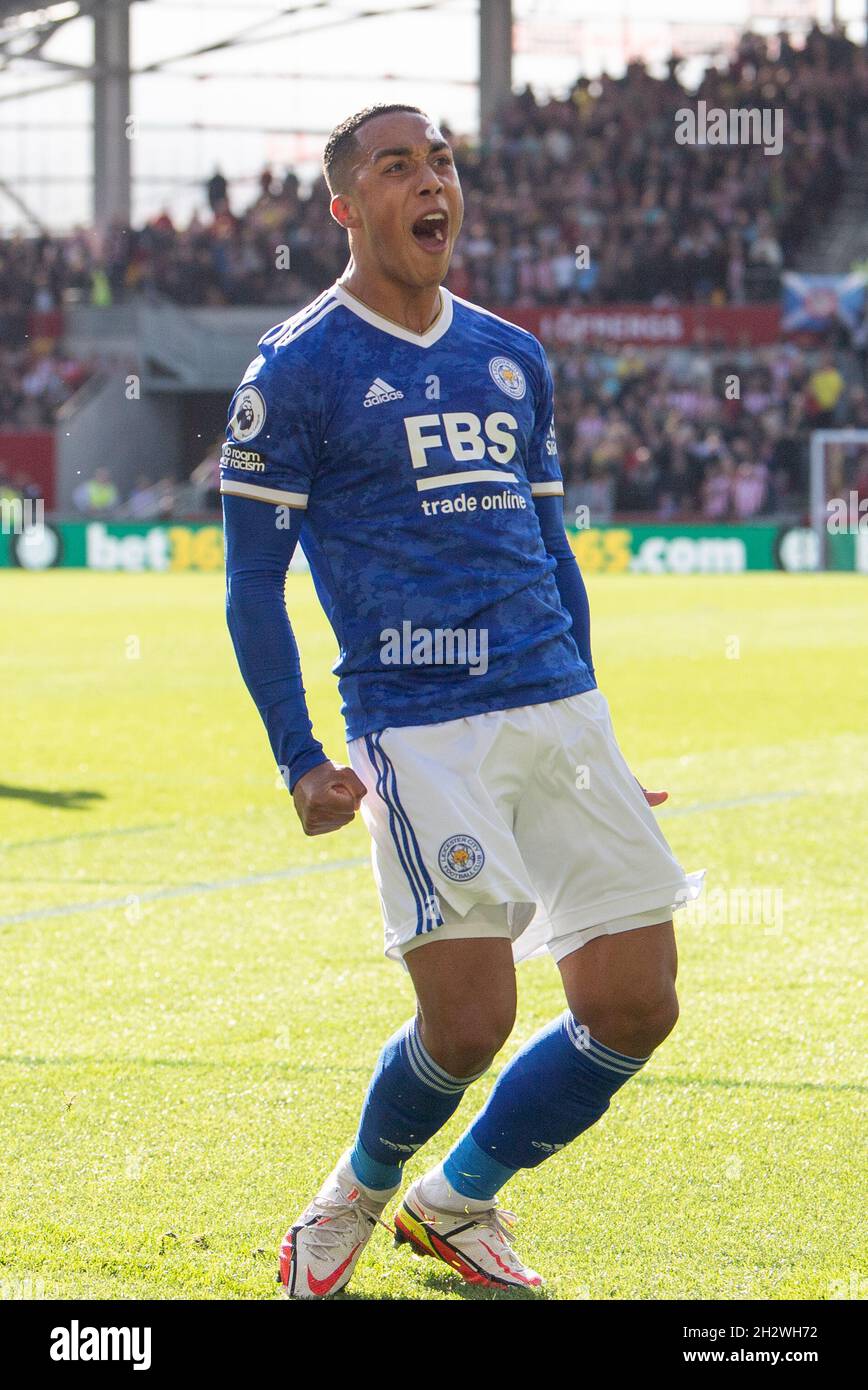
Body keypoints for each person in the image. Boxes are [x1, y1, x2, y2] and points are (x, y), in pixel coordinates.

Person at [221, 105, 700, 1299]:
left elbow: (552, 547)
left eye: (441, 162)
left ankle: (456, 1200)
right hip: (417, 725)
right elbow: (250, 588)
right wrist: (298, 756)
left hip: (557, 707)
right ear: (346, 205)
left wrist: (597, 727)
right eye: (399, 167)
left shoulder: (509, 353)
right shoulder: (295, 369)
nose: (432, 182)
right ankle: (351, 1196)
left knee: (638, 1003)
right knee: (472, 1019)